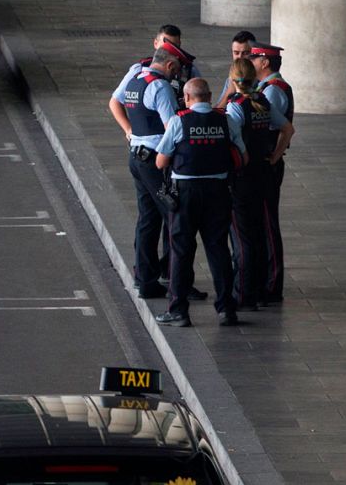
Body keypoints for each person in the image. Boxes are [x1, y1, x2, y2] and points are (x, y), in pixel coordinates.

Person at [153, 78, 245, 327]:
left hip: (185, 194)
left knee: (181, 250)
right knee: (218, 250)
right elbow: (242, 156)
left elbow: (160, 162)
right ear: (209, 95)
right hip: (218, 191)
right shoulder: (226, 120)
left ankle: (178, 310)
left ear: (186, 97)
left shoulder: (178, 121)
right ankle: (226, 309)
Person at [108, 49, 181, 298]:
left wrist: (128, 130)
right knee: (174, 216)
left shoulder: (136, 78)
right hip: (154, 162)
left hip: (137, 157)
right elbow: (172, 127)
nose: (177, 73)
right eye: (176, 68)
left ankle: (145, 279)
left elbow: (115, 101)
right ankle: (177, 281)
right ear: (169, 65)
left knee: (148, 219)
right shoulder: (160, 87)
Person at [222, 58, 285, 310]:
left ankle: (243, 294)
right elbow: (287, 129)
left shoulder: (235, 107)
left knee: (241, 236)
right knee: (259, 233)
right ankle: (259, 289)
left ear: (233, 79)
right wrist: (274, 156)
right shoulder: (262, 102)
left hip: (243, 177)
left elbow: (232, 143)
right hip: (264, 172)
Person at [249, 43, 295, 303]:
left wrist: (273, 159)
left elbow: (283, 128)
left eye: (253, 58)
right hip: (265, 164)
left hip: (267, 164)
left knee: (267, 223)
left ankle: (272, 283)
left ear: (265, 62)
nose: (250, 62)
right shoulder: (265, 88)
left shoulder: (273, 91)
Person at [215, 30, 257, 108]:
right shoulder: (231, 78)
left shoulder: (260, 78)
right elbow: (217, 111)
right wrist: (229, 92)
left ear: (254, 52)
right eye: (236, 53)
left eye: (245, 53)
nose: (240, 57)